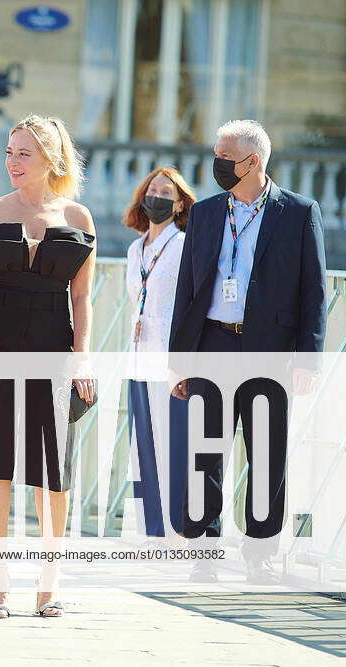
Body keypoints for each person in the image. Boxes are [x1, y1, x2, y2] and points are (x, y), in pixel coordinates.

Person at [0, 115, 96, 618]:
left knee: (51, 472)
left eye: (24, 153)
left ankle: (50, 580)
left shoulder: (78, 218)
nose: (13, 162)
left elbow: (83, 299)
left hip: (53, 350)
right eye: (10, 152)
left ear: (51, 158)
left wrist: (82, 361)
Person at [169, 119, 326, 584]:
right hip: (212, 344)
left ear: (252, 161)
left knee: (266, 453)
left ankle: (259, 552)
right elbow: (187, 289)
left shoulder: (298, 212)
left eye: (223, 156)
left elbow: (314, 292)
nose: (215, 164)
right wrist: (180, 361)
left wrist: (307, 359)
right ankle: (204, 547)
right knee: (204, 452)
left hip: (269, 350)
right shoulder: (206, 212)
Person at [123, 167, 194, 538]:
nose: (158, 196)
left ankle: (176, 526)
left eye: (166, 192)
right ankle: (149, 530)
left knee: (171, 444)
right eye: (152, 190)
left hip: (169, 361)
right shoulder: (135, 249)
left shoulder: (184, 245)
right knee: (141, 446)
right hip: (137, 358)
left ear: (179, 202)